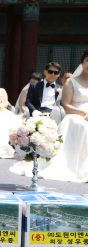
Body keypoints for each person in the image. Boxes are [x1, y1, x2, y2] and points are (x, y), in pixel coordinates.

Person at [11, 50, 88, 183]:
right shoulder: (71, 82)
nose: (53, 74)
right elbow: (66, 104)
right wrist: (83, 113)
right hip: (75, 114)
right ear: (82, 63)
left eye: (56, 72)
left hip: (57, 113)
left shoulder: (58, 87)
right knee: (82, 126)